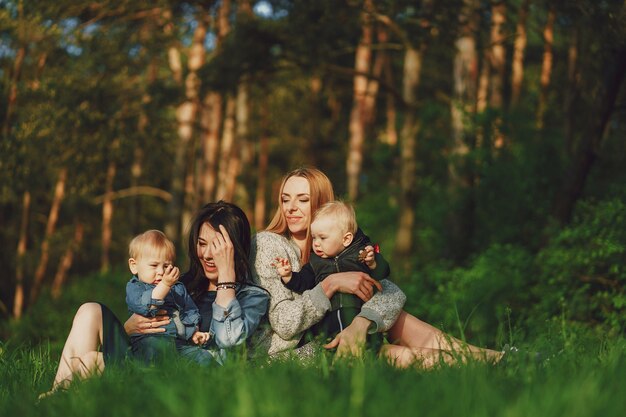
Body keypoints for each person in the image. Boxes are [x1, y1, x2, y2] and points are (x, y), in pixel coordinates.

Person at [251, 167, 502, 367]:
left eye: (303, 200)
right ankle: (492, 362)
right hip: (295, 355)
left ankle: (497, 358)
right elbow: (284, 324)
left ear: (322, 206)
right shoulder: (269, 245)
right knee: (393, 353)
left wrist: (362, 324)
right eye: (285, 199)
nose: (291, 208)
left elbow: (388, 291)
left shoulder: (340, 244)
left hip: (341, 333)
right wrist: (331, 284)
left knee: (394, 318)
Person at [42, 201, 269, 396]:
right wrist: (128, 329)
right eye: (202, 244)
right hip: (147, 360)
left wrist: (226, 279)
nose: (208, 255)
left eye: (218, 246)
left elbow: (229, 343)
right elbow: (146, 322)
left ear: (235, 248)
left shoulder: (252, 297)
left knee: (90, 362)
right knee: (90, 310)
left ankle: (60, 400)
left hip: (188, 378)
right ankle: (57, 397)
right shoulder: (181, 285)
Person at [273, 200, 389, 349]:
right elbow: (303, 282)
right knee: (330, 345)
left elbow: (383, 274)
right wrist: (288, 276)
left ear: (346, 239)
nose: (316, 243)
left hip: (358, 315)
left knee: (369, 349)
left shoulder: (361, 254)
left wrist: (373, 263)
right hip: (329, 319)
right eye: (314, 237)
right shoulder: (316, 263)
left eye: (322, 238)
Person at [125, 229, 209, 363]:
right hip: (149, 340)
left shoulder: (177, 288)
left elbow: (188, 311)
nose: (160, 271)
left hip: (179, 343)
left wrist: (193, 333)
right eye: (154, 265)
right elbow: (146, 306)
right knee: (153, 354)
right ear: (134, 266)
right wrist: (165, 285)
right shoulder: (135, 287)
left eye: (166, 266)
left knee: (203, 357)